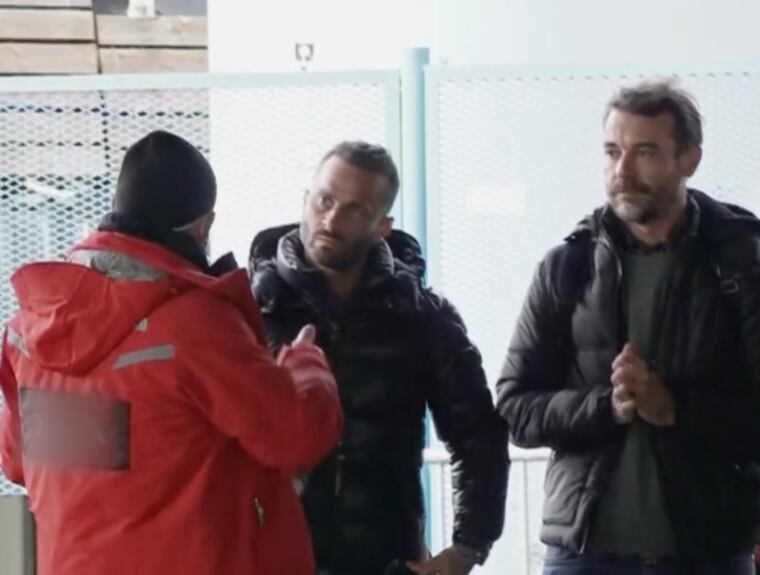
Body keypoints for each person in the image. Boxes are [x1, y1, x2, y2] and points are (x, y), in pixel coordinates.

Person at [0, 130, 342, 575]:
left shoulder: (32, 328)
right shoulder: (193, 326)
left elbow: (17, 460)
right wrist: (306, 365)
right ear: (204, 227)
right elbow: (293, 436)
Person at [495, 80, 760, 575]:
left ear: (689, 160)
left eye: (646, 152)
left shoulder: (744, 266)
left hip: (709, 553)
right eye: (612, 152)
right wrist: (604, 407)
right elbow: (515, 408)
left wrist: (674, 408)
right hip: (584, 556)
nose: (623, 171)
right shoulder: (567, 266)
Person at [248, 141, 510, 575]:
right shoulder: (250, 310)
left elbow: (479, 435)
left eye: (354, 209)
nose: (331, 220)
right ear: (305, 199)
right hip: (273, 556)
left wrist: (465, 549)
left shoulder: (420, 316)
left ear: (381, 227)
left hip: (386, 558)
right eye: (325, 200)